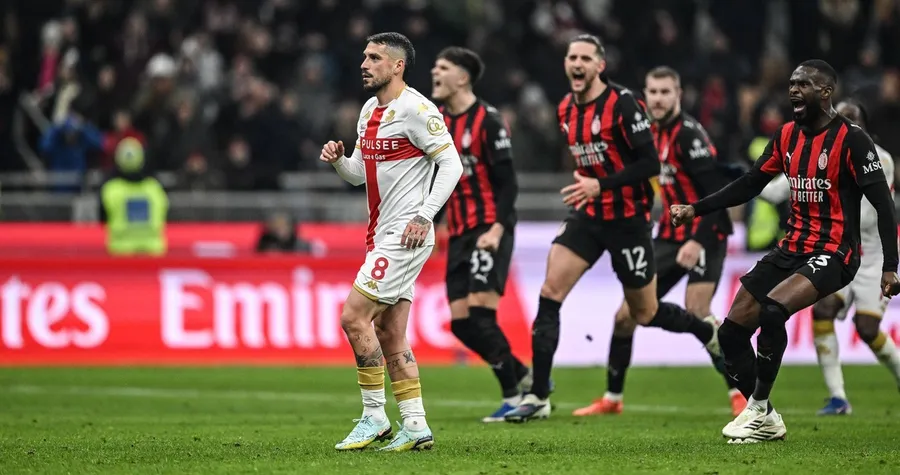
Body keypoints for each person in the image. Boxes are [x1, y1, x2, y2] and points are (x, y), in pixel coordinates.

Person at [670, 59, 900, 443]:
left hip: (836, 251)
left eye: (804, 84)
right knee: (731, 332)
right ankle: (767, 417)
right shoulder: (787, 136)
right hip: (791, 247)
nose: (794, 89)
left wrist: (891, 265)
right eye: (792, 83)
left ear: (825, 92)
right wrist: (697, 208)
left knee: (774, 310)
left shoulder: (853, 140)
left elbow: (884, 206)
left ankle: (757, 408)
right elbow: (750, 184)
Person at [504, 34, 724, 423]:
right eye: (572, 57)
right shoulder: (564, 109)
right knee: (550, 292)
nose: (577, 63)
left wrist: (601, 184)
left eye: (585, 58)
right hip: (589, 217)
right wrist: (590, 186)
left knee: (644, 312)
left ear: (599, 66)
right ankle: (538, 395)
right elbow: (588, 163)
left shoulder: (623, 104)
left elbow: (649, 164)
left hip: (628, 222)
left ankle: (705, 332)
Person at [573, 66, 745, 418]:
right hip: (668, 235)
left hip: (705, 234)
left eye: (666, 92)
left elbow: (716, 195)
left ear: (678, 94)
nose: (658, 98)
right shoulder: (647, 134)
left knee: (698, 309)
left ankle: (740, 394)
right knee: (626, 316)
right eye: (652, 92)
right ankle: (612, 399)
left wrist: (697, 241)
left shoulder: (689, 136)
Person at [320, 32, 463, 452]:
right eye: (364, 57)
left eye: (375, 58)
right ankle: (416, 426)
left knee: (353, 317)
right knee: (389, 331)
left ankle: (374, 416)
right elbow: (360, 174)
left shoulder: (417, 109)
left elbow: (452, 164)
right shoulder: (370, 110)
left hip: (406, 233)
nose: (364, 64)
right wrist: (339, 162)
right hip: (382, 233)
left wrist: (424, 215)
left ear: (398, 66)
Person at [760, 99, 900, 415]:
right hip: (842, 251)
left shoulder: (879, 159)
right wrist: (750, 179)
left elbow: (870, 216)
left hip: (873, 255)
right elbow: (774, 190)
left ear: (863, 126)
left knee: (867, 329)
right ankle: (838, 398)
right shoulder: (821, 155)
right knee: (822, 311)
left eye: (852, 119)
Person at [430, 46, 535, 422]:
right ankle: (524, 375)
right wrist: (437, 221)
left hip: (489, 227)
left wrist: (498, 228)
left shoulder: (488, 121)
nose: (435, 73)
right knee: (461, 323)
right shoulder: (437, 122)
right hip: (459, 231)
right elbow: (439, 177)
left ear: (462, 77)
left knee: (480, 313)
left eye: (443, 68)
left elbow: (508, 183)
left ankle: (514, 396)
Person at [99, 137, 169, 256]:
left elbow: (101, 220)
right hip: (153, 254)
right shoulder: (155, 189)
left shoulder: (110, 190)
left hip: (120, 254)